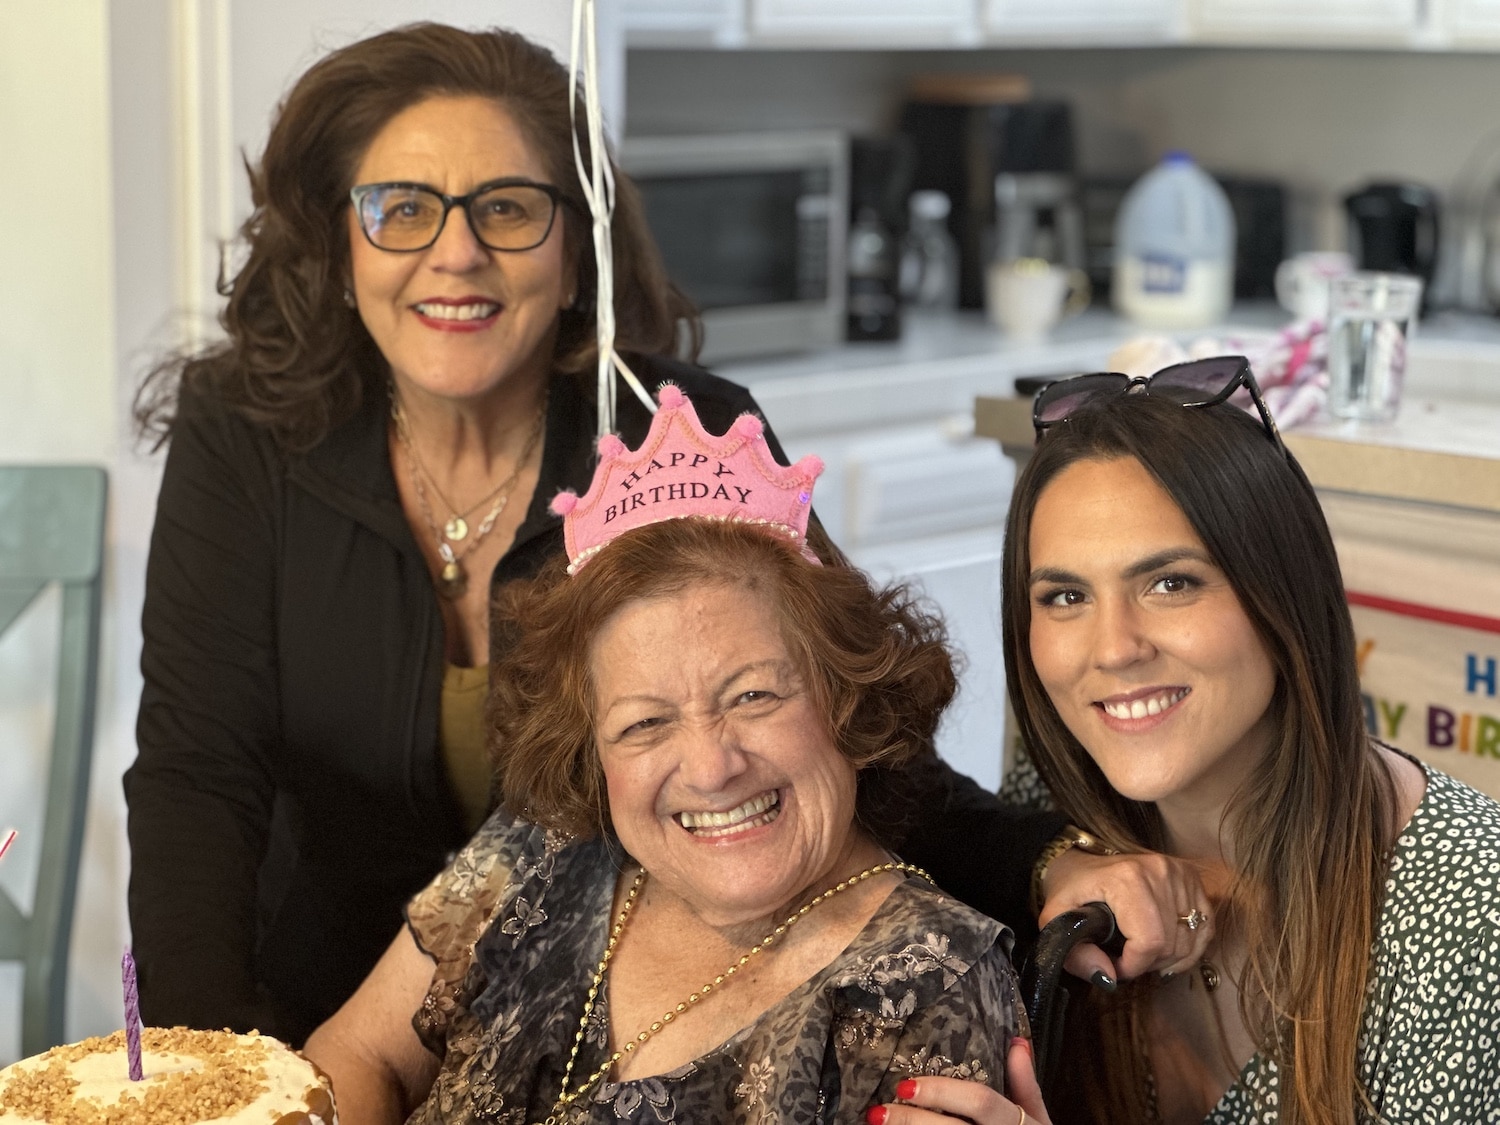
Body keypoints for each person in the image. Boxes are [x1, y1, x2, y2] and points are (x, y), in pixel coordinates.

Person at [124, 20, 1202, 1049]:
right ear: (339, 235)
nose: (455, 254)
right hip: (312, 1010)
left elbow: (856, 740)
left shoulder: (681, 438)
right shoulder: (248, 433)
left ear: (579, 241)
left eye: (507, 208)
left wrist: (1047, 862)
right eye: (402, 209)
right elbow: (196, 777)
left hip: (602, 1030)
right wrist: (211, 1064)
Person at [305, 395, 1034, 1123]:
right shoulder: (542, 846)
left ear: (846, 695)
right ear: (590, 745)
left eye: (752, 696)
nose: (711, 767)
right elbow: (360, 1054)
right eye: (646, 722)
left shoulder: (935, 980)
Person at [893, 358, 1499, 1125]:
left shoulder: (1471, 909)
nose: (1113, 648)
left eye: (1171, 582)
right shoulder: (1049, 801)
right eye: (1066, 595)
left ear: (1282, 595)